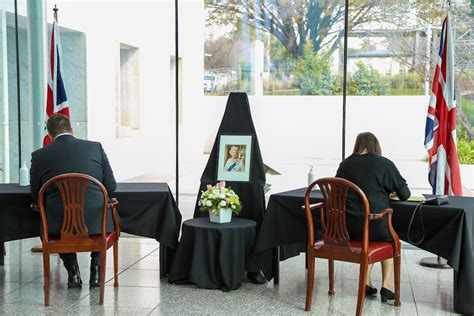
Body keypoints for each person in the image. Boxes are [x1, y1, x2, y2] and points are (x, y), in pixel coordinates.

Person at [30, 114, 117, 288]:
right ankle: (96, 270)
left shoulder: (39, 155)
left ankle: (73, 272)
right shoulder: (95, 148)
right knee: (102, 215)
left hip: (58, 226)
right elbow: (111, 186)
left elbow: (35, 194)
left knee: (58, 218)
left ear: (49, 135)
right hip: (96, 223)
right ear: (71, 129)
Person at [335, 132, 410, 303]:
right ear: (375, 146)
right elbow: (405, 194)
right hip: (374, 227)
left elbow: (338, 190)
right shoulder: (384, 164)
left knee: (368, 236)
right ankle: (387, 285)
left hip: (347, 229)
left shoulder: (345, 164)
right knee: (390, 239)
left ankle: (366, 284)